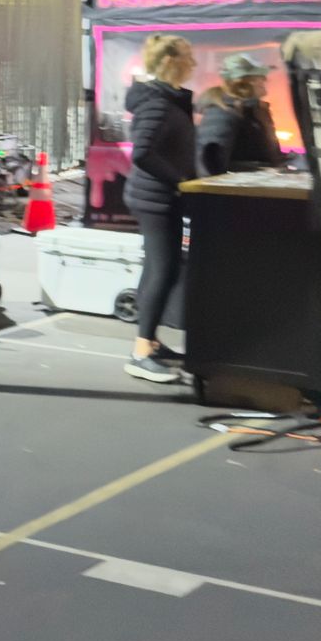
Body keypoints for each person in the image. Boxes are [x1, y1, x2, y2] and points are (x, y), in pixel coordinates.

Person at [124, 34, 199, 383]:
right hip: (155, 198)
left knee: (160, 269)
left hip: (161, 196)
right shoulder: (157, 102)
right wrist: (179, 179)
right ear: (170, 61)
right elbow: (142, 153)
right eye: (188, 57)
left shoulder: (169, 100)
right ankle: (140, 353)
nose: (194, 64)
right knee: (163, 270)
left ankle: (149, 341)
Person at [196, 51, 288, 177]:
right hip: (238, 192)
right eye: (259, 76)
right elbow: (210, 162)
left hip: (254, 188)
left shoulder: (253, 111)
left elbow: (268, 155)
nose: (265, 80)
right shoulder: (223, 111)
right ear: (244, 81)